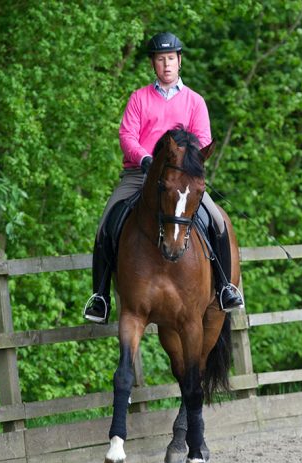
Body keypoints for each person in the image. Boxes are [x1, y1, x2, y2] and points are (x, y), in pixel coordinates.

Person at [83, 31, 244, 324]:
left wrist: (185, 168)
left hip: (182, 182)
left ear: (179, 61)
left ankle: (224, 288)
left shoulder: (195, 101)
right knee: (106, 221)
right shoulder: (139, 98)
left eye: (171, 58)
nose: (166, 64)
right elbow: (126, 135)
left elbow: (203, 140)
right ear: (153, 65)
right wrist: (144, 158)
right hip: (140, 174)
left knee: (218, 223)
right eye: (160, 59)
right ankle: (100, 296)